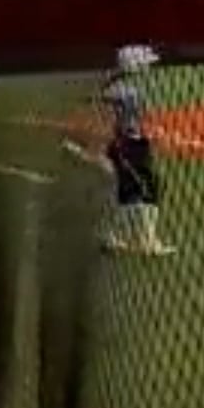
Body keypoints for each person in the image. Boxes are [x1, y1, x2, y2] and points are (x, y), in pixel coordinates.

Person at [76, 46, 175, 256]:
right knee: (145, 190)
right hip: (130, 145)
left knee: (130, 192)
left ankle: (114, 236)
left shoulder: (121, 87)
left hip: (130, 143)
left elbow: (97, 98)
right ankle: (146, 241)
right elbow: (112, 109)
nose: (148, 66)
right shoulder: (127, 90)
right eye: (144, 62)